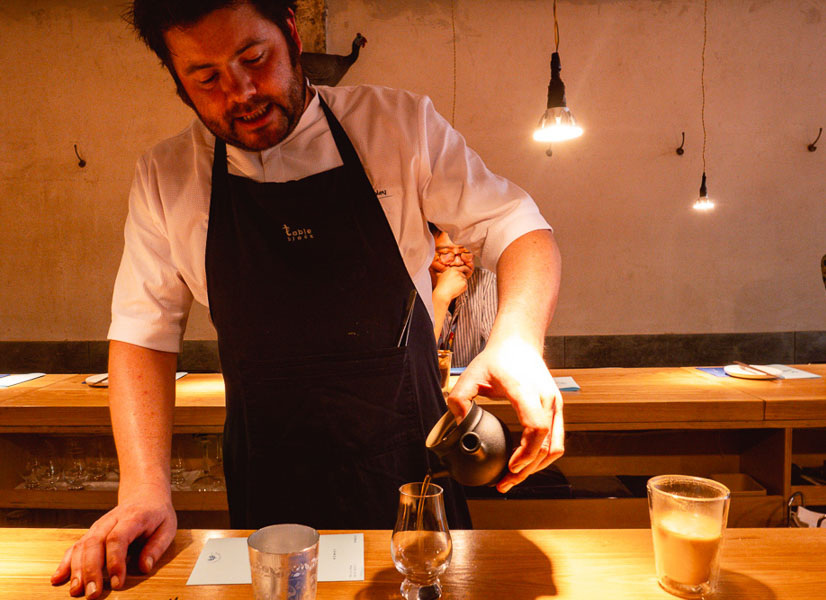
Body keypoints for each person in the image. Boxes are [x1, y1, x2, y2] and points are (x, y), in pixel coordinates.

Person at [51, 1, 564, 598]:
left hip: (408, 470)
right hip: (269, 477)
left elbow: (518, 226)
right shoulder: (167, 176)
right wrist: (142, 489)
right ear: (176, 77)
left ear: (291, 34)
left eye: (254, 58)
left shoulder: (397, 125)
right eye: (206, 77)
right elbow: (143, 335)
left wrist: (519, 342)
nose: (241, 93)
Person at [429, 223, 497, 367]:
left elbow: (503, 351)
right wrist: (441, 297)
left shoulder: (487, 282)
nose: (458, 262)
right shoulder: (412, 286)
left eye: (466, 251)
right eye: (445, 253)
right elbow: (415, 359)